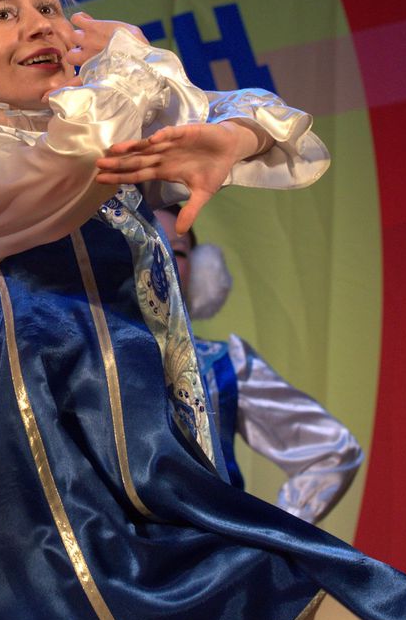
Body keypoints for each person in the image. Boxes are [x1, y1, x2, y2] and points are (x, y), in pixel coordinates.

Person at [0, 0, 406, 620]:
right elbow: (79, 159)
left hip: (160, 489)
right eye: (5, 14)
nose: (40, 25)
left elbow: (262, 117)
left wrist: (228, 138)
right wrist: (131, 59)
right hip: (61, 513)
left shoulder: (109, 130)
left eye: (49, 7)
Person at [153, 207, 363, 523]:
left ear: (201, 272)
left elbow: (333, 450)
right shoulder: (85, 357)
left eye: (178, 251)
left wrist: (272, 532)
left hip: (207, 551)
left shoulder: (224, 365)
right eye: (147, 246)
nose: (162, 261)